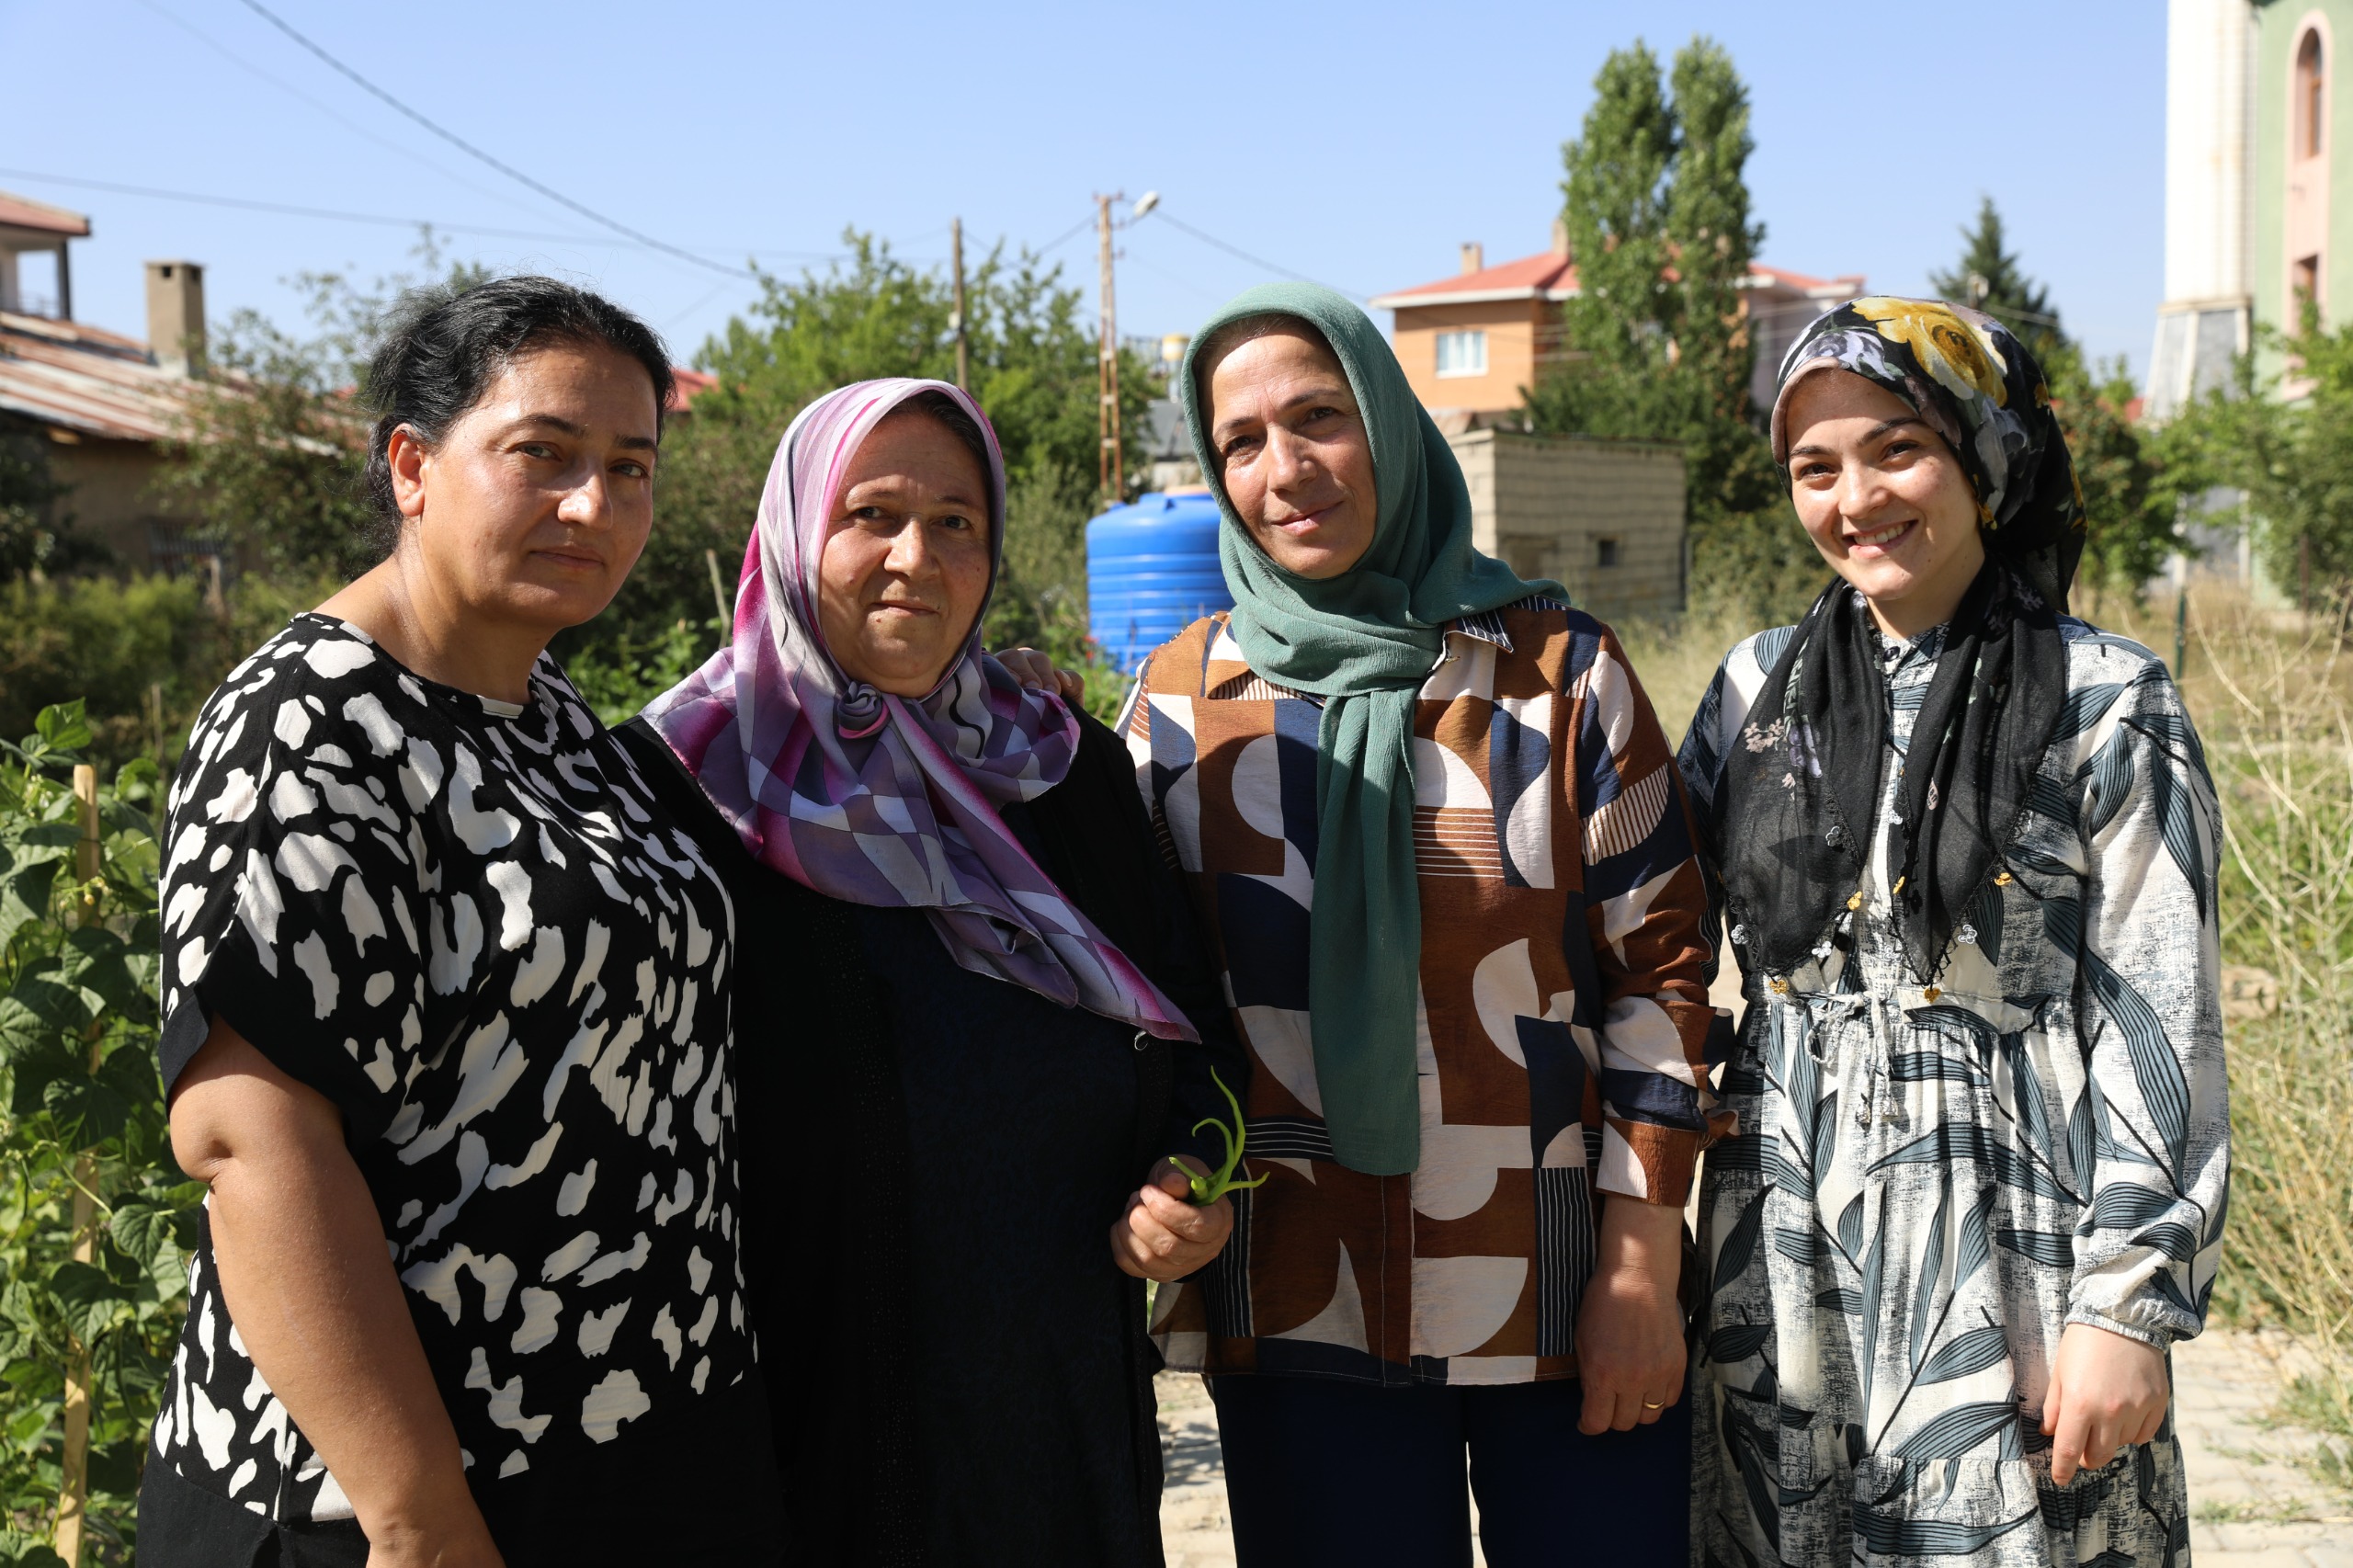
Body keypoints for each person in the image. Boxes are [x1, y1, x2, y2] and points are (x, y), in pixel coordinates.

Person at [144, 277, 781, 1567]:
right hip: (405, 1497)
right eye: (541, 455)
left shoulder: (558, 721)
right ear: (414, 464)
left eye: (631, 467)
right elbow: (250, 1137)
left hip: (638, 1441)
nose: (594, 505)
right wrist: (419, 1517)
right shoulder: (308, 728)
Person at [1121, 283, 1722, 1568]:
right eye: (1241, 441)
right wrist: (1166, 1180)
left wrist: (1638, 1263)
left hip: (1563, 1294)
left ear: (1389, 425)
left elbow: (1661, 973)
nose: (1285, 469)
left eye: (1319, 417)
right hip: (1296, 1301)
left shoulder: (1561, 676)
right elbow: (1144, 1001)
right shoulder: (1182, 704)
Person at [635, 377, 1246, 1566]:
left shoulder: (1064, 773)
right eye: (871, 514)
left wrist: (1190, 1181)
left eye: (957, 521)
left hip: (1059, 1423)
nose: (917, 556)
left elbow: (1194, 1038)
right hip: (812, 1449)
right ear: (797, 526)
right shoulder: (684, 795)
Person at [1677, 298, 2229, 1565]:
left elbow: (2162, 1010)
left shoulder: (2106, 697)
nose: (1855, 497)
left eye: (1896, 449)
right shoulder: (1757, 689)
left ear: (1986, 458)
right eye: (1814, 468)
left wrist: (2126, 1307)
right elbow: (1656, 944)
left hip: (2016, 1246)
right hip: (1784, 1239)